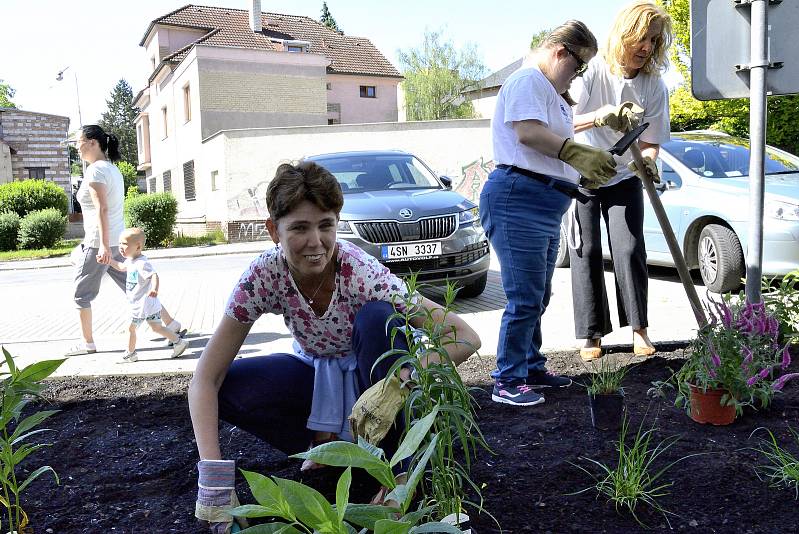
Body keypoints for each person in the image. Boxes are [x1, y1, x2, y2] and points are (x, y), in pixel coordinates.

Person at [188, 161, 480, 532]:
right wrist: (214, 480)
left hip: (373, 385)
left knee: (379, 319)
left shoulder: (359, 271)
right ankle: (324, 448)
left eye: (326, 225)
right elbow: (204, 380)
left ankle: (400, 471)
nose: (316, 242)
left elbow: (466, 337)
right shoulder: (263, 276)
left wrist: (399, 381)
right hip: (318, 378)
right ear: (272, 231)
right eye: (299, 227)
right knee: (228, 385)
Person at [479, 20, 617, 407]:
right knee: (524, 297)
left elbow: (557, 128)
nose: (577, 75)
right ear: (561, 52)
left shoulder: (550, 92)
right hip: (517, 199)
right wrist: (575, 153)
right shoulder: (528, 80)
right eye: (577, 66)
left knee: (538, 294)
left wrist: (595, 126)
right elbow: (528, 133)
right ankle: (506, 380)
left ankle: (530, 366)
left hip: (543, 201)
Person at [568, 1, 673, 361]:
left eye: (654, 40)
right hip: (585, 173)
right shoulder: (594, 71)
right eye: (642, 38)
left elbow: (652, 140)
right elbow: (562, 121)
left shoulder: (654, 85)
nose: (647, 47)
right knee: (588, 251)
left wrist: (648, 160)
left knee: (629, 250)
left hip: (626, 176)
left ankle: (639, 329)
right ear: (624, 35)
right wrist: (597, 117)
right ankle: (591, 335)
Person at [65, 125, 183, 357]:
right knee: (137, 288)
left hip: (100, 243)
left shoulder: (95, 171)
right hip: (115, 241)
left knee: (81, 295)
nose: (77, 147)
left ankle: (87, 343)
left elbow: (102, 208)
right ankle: (171, 325)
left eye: (78, 142)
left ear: (92, 143)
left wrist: (101, 245)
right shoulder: (111, 169)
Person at [103, 227, 189, 362]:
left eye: (124, 244)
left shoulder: (141, 263)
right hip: (145, 305)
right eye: (119, 243)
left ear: (137, 246)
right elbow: (120, 267)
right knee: (157, 327)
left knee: (130, 328)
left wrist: (155, 288)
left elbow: (154, 275)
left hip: (143, 305)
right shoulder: (131, 260)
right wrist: (108, 261)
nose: (120, 247)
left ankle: (131, 353)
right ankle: (178, 342)